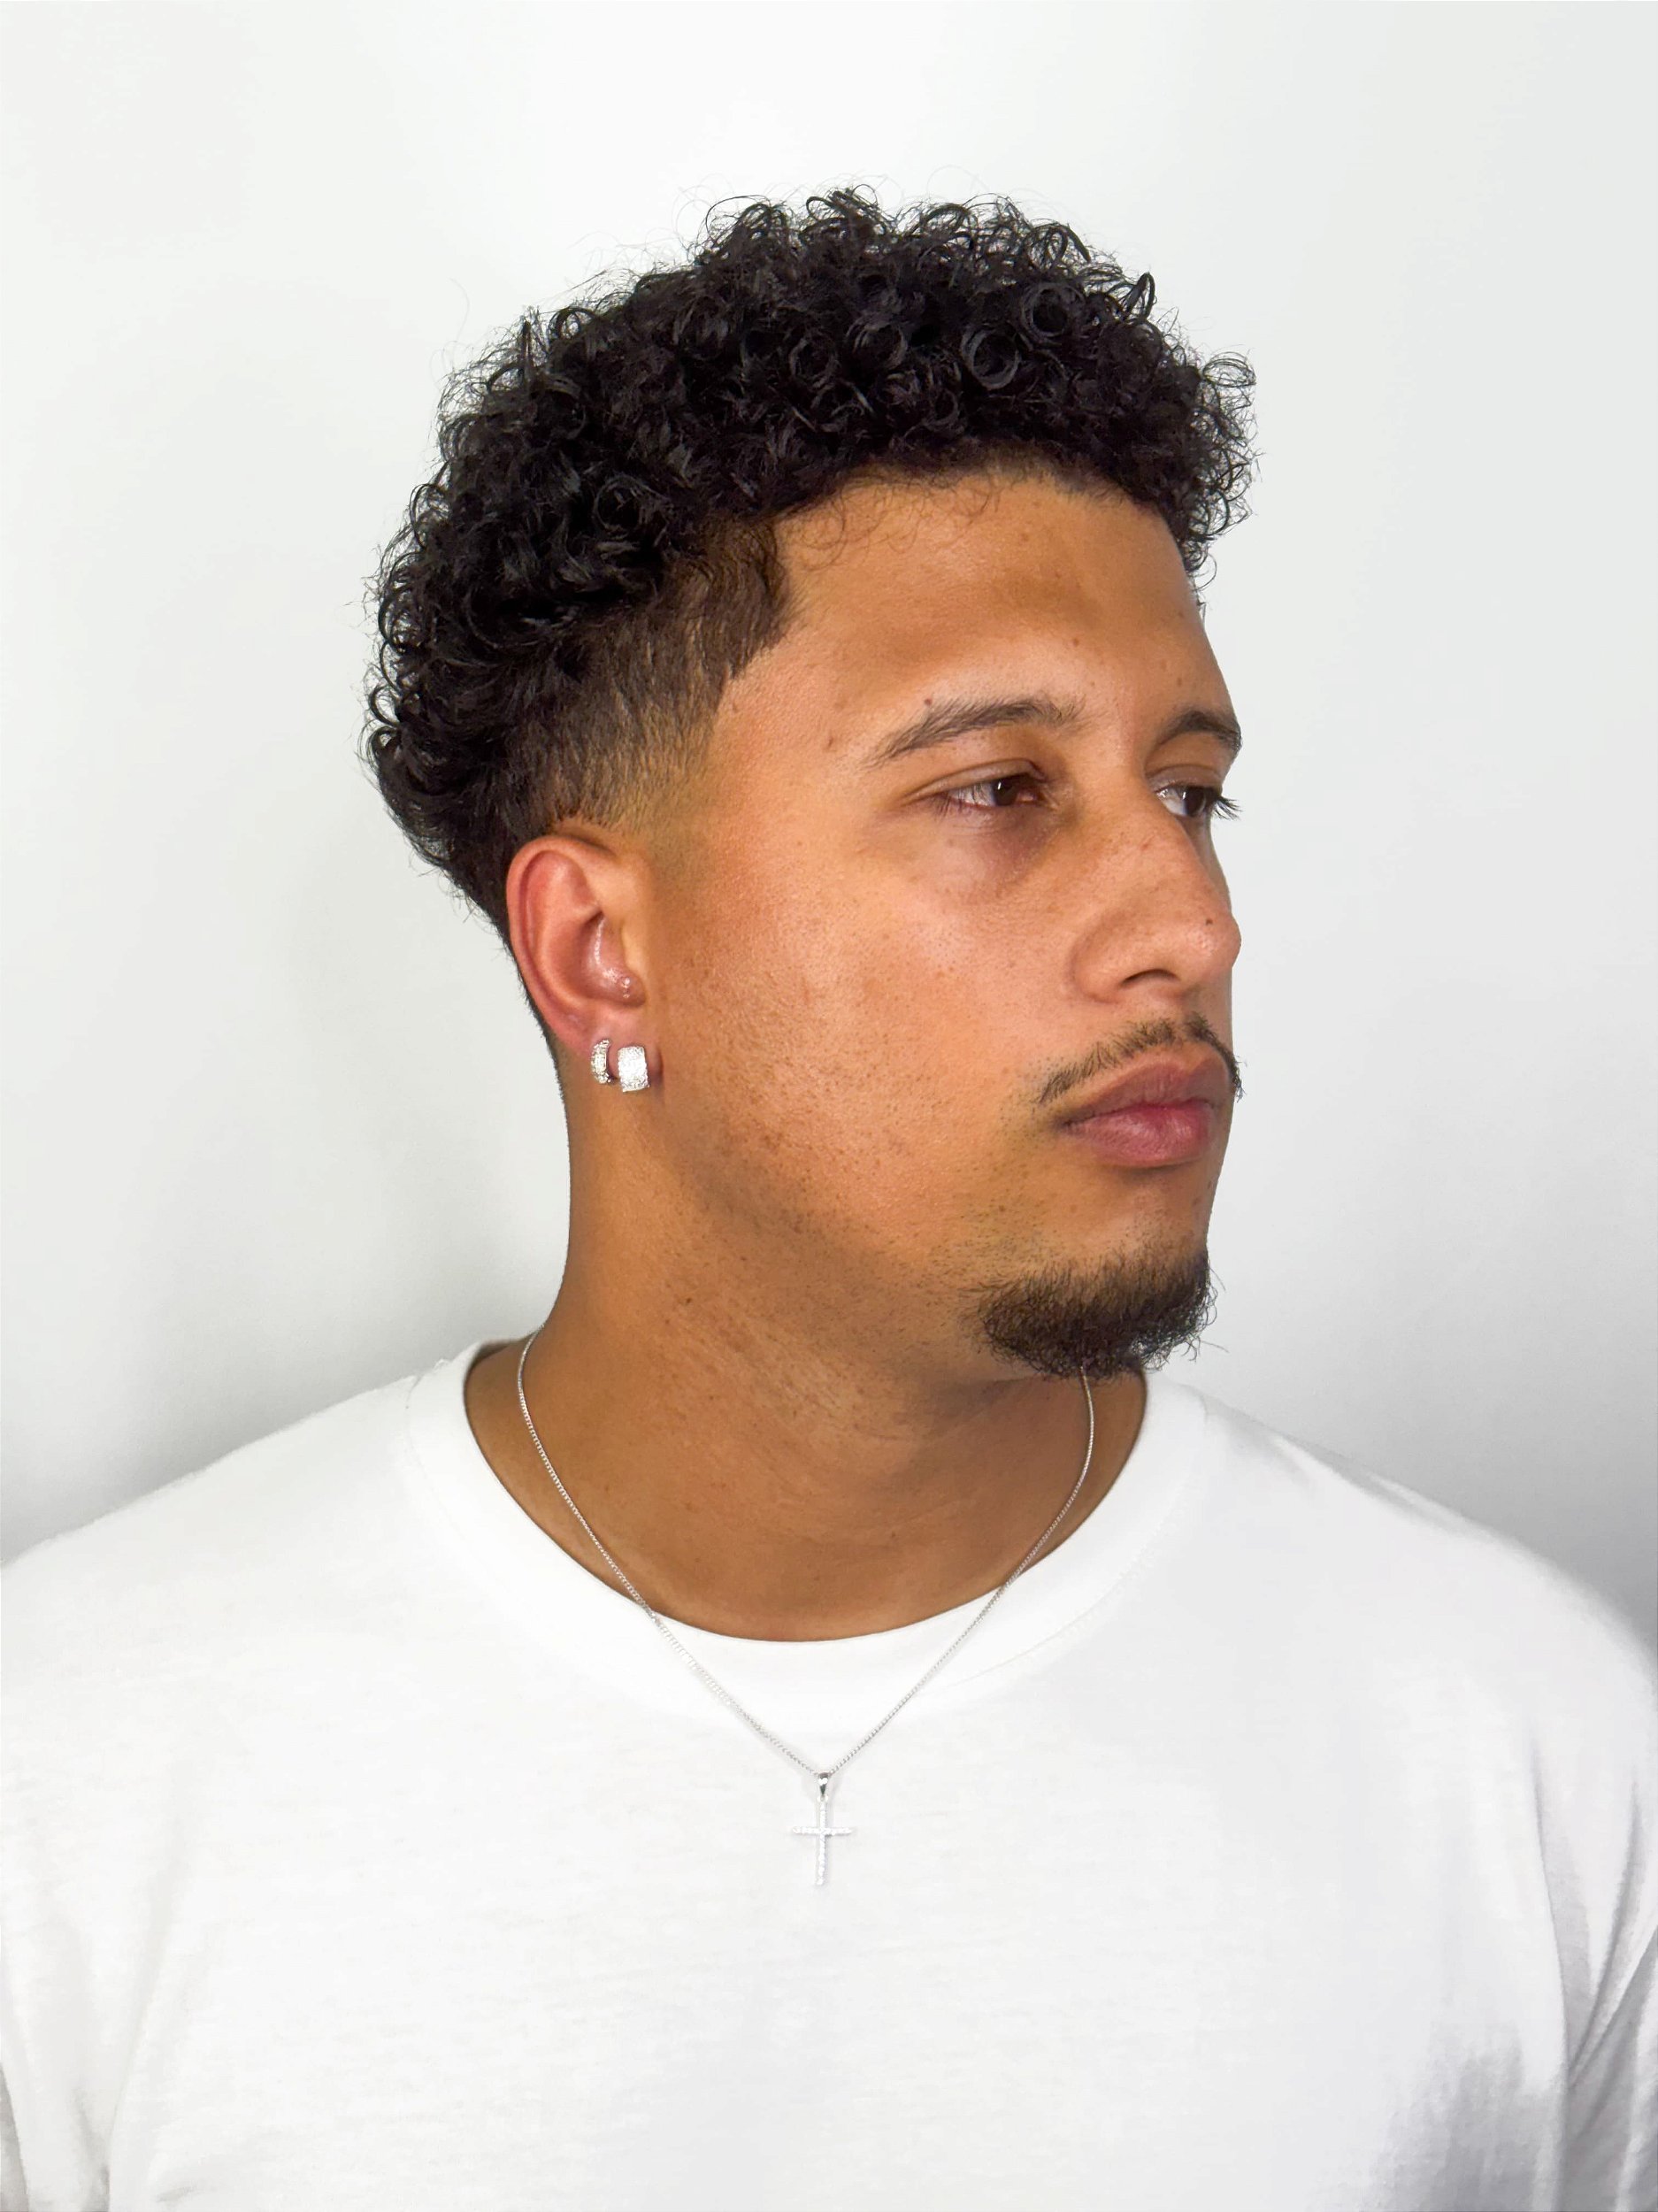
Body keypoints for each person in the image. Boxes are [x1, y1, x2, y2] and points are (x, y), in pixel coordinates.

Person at [3, 188, 1653, 2212]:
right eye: (995, 791)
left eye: (1188, 789)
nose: (1191, 921)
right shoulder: (73, 1770)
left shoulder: (1528, 1747)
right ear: (600, 951)